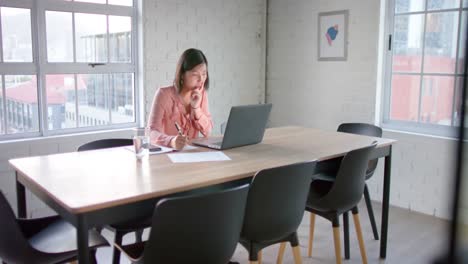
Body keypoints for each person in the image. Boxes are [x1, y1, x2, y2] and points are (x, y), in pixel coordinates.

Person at [147, 48, 213, 150]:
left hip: (192, 155)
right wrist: (171, 141)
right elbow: (151, 132)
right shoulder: (163, 95)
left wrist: (196, 109)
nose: (201, 79)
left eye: (204, 74)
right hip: (167, 156)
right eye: (195, 74)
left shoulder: (201, 94)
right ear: (182, 74)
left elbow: (207, 132)